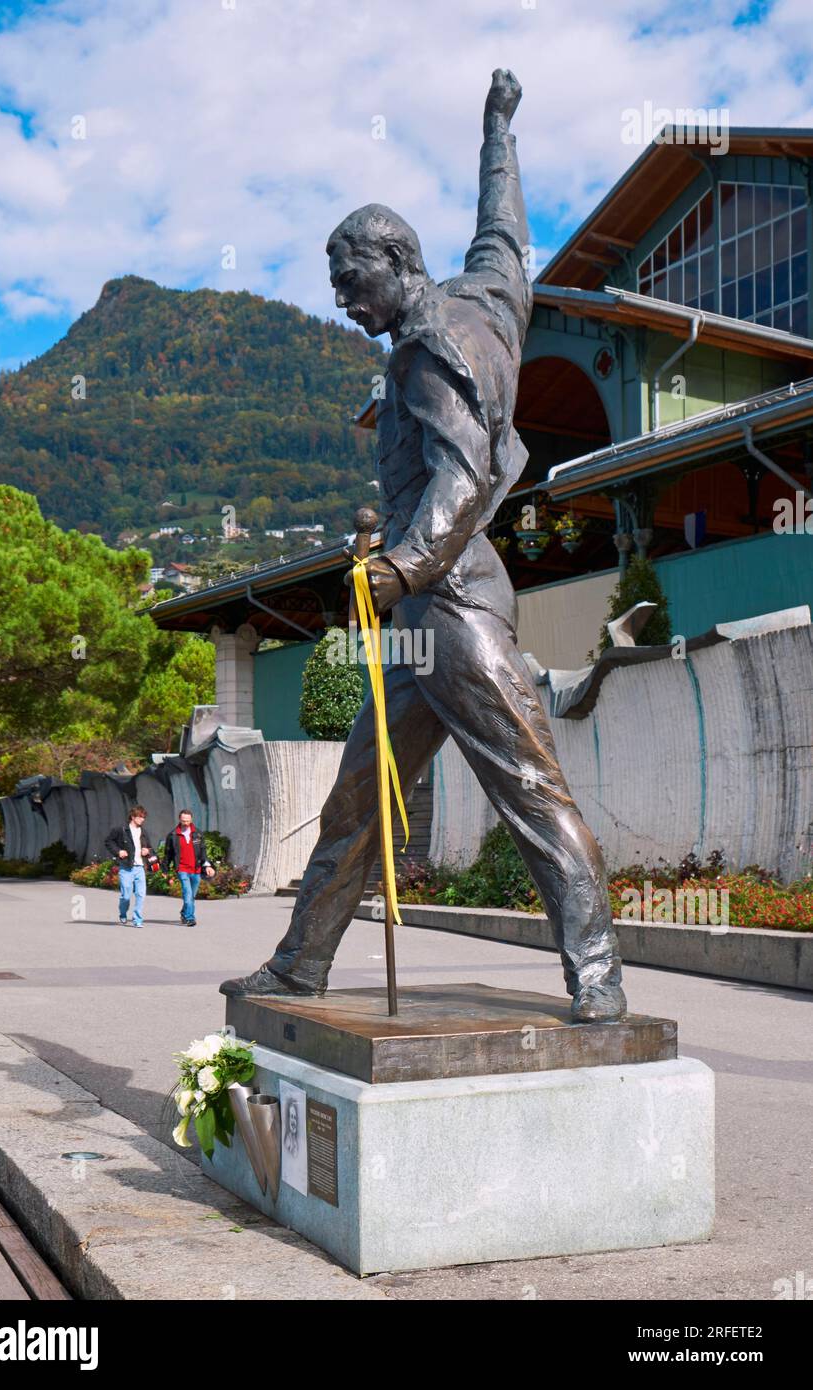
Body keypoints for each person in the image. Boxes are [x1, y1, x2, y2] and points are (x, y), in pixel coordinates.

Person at [223, 69, 625, 1023]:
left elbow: (459, 475)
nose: (337, 298)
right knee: (357, 802)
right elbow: (505, 233)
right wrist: (498, 132)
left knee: (529, 787)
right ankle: (300, 966)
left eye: (345, 277)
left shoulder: (427, 343)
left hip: (450, 606)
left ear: (393, 258)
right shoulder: (486, 298)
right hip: (417, 624)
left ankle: (598, 974)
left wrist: (406, 563)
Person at [163, 810, 215, 927]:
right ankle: (190, 918)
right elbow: (168, 854)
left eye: (187, 821)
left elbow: (203, 852)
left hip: (196, 869)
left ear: (191, 820)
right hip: (182, 869)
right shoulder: (173, 835)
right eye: (183, 821)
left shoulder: (198, 834)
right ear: (179, 820)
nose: (186, 823)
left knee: (191, 895)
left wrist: (207, 866)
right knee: (187, 893)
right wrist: (165, 870)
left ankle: (184, 912)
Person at [105, 806, 153, 929]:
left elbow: (150, 847)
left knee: (141, 894)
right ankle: (122, 913)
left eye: (144, 817)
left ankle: (137, 919)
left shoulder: (144, 832)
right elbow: (108, 841)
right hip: (126, 866)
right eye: (140, 817)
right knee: (126, 895)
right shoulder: (121, 829)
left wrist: (147, 850)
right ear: (133, 817)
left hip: (140, 867)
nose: (142, 820)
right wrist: (118, 851)